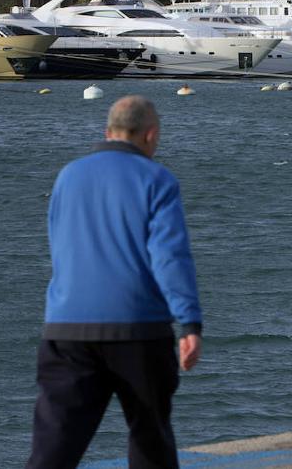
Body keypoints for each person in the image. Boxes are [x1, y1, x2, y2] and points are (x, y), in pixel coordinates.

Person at [27, 95, 202, 469]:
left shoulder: (68, 175)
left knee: (54, 445)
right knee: (149, 438)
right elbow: (169, 257)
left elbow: (59, 244)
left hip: (67, 327)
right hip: (138, 329)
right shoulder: (157, 179)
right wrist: (189, 322)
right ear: (150, 135)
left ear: (107, 132)